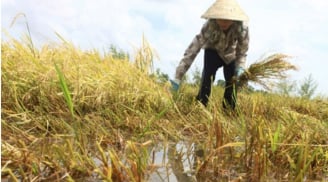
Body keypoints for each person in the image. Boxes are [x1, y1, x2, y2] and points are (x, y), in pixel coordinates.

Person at [170, 0, 249, 109]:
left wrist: (241, 67)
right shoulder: (209, 26)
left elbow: (242, 52)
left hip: (231, 54)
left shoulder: (242, 29)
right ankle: (200, 106)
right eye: (220, 19)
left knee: (232, 82)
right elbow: (193, 49)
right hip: (212, 51)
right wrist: (178, 76)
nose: (224, 22)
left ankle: (229, 110)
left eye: (227, 19)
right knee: (207, 79)